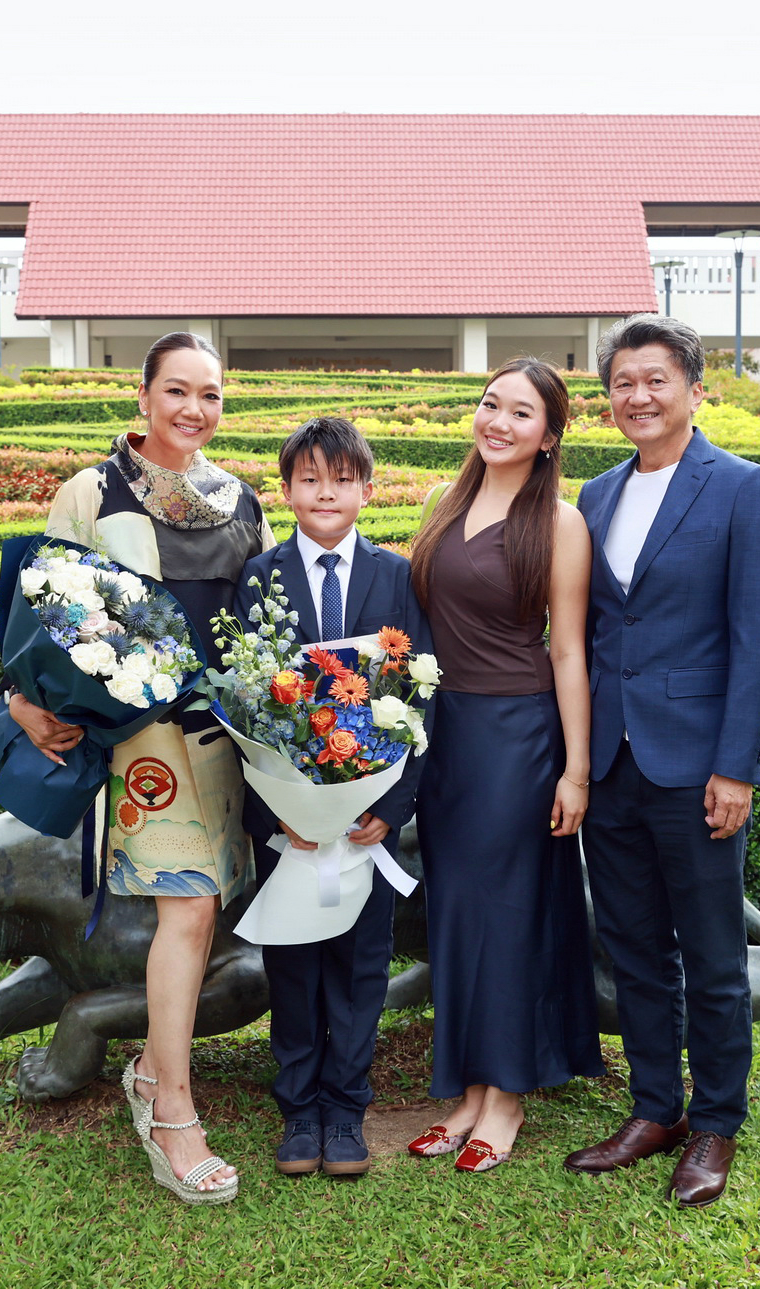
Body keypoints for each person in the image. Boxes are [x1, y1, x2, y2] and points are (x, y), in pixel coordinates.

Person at [7, 331, 271, 1205]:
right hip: (142, 742)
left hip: (223, 740)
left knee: (206, 910)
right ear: (145, 396)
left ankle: (154, 1072)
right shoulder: (93, 491)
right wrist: (19, 699)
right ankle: (172, 1113)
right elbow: (41, 608)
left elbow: (263, 618)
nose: (195, 408)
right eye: (178, 391)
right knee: (189, 909)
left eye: (211, 394)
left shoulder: (240, 499)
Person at [564, 314, 760, 1209]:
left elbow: (756, 637)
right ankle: (655, 1108)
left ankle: (717, 1122)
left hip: (697, 766)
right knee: (633, 950)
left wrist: (736, 767)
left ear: (694, 389)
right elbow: (588, 629)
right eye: (623, 382)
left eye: (656, 379)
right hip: (612, 762)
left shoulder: (740, 487)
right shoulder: (595, 495)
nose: (639, 396)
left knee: (712, 955)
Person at [404, 357, 605, 1174]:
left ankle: (507, 1095)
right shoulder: (442, 502)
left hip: (517, 737)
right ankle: (467, 1090)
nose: (499, 421)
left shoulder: (560, 522)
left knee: (510, 916)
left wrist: (576, 769)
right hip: (443, 737)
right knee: (457, 913)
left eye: (522, 413)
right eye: (492, 404)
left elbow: (568, 650)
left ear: (550, 436)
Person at [235, 416, 435, 1181]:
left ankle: (347, 1107)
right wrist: (277, 808)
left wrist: (394, 805)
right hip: (288, 818)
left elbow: (421, 694)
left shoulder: (397, 575)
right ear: (286, 490)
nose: (326, 493)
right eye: (311, 479)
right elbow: (246, 701)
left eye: (342, 479)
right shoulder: (260, 577)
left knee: (360, 964)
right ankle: (299, 1108)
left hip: (367, 819)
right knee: (292, 959)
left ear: (367, 490)